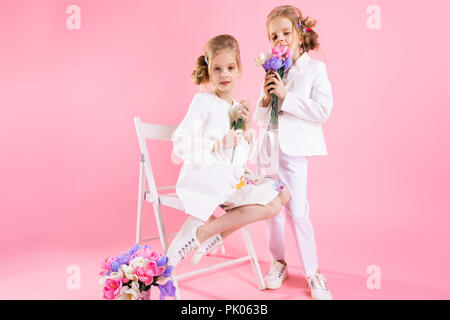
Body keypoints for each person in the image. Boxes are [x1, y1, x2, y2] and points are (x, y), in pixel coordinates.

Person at [167, 34, 291, 270]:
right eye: (217, 69)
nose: (224, 74)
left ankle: (208, 232)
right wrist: (217, 144)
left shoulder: (237, 108)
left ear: (238, 71)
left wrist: (245, 131)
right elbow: (181, 143)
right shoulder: (202, 102)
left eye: (230, 68)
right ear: (209, 72)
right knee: (274, 204)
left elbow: (244, 158)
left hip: (232, 179)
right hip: (208, 178)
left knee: (282, 194)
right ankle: (209, 233)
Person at [254, 5, 334, 300]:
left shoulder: (315, 69)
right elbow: (260, 120)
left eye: (286, 33)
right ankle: (279, 262)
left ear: (300, 35)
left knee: (297, 212)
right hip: (268, 148)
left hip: (294, 150)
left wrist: (287, 97)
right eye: (274, 35)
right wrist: (265, 97)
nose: (280, 39)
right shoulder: (274, 69)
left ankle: (313, 273)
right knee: (270, 211)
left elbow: (323, 110)